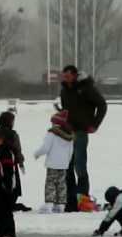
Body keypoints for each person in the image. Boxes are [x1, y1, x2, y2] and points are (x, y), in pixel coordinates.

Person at [60, 65, 107, 212]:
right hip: (67, 132)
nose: (66, 78)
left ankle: (83, 197)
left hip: (81, 131)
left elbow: (102, 105)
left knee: (79, 165)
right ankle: (71, 199)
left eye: (68, 75)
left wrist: (94, 124)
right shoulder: (64, 91)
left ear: (74, 75)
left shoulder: (86, 88)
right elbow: (66, 110)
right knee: (67, 165)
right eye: (64, 76)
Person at [34, 110, 74, 214]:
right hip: (63, 164)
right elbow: (71, 151)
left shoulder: (52, 133)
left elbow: (46, 148)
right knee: (61, 185)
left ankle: (49, 205)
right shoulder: (69, 135)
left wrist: (37, 154)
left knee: (50, 184)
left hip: (52, 163)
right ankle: (61, 206)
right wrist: (67, 162)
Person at [0, 112, 30, 212]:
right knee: (13, 187)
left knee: (1, 185)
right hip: (10, 164)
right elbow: (17, 150)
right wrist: (21, 162)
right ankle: (10, 204)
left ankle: (4, 203)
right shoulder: (13, 134)